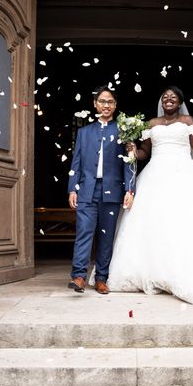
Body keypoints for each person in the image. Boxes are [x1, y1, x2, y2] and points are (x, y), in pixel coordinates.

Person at [106, 86, 193, 304]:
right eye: (164, 97)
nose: (168, 100)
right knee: (155, 224)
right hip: (155, 174)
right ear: (161, 102)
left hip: (184, 172)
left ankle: (181, 272)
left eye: (173, 97)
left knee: (181, 223)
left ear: (180, 102)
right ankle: (155, 273)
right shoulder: (151, 124)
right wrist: (131, 148)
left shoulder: (188, 120)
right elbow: (144, 153)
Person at [67, 86, 135, 294]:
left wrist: (130, 190)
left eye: (110, 102)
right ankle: (79, 276)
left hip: (113, 191)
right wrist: (72, 189)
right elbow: (75, 163)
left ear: (115, 105)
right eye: (102, 101)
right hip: (86, 189)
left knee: (106, 236)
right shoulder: (84, 132)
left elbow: (129, 164)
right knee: (84, 232)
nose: (106, 105)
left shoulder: (124, 131)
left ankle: (101, 278)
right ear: (95, 104)